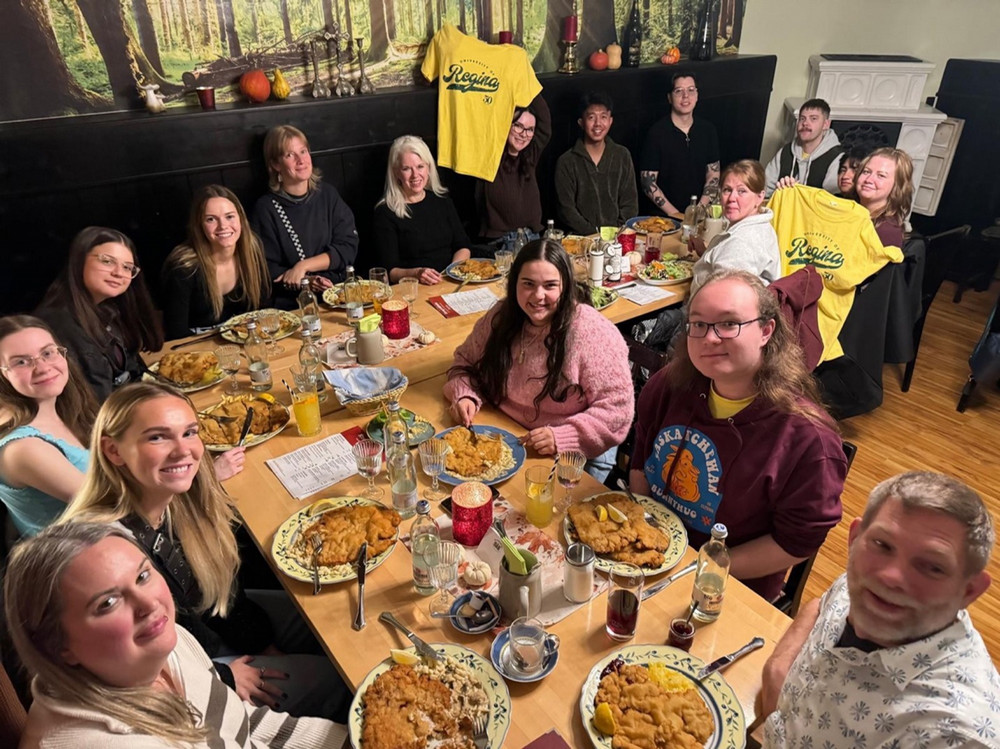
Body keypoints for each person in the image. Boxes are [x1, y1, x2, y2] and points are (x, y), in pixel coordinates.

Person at [60, 382, 349, 721]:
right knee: (335, 680)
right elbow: (136, 663)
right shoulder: (106, 548)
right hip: (179, 678)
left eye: (189, 432)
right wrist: (223, 677)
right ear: (114, 451)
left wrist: (262, 642)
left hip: (211, 631)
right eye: (157, 437)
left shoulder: (171, 500)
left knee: (332, 614)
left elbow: (216, 589)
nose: (183, 451)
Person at [6, 522, 347, 748]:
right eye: (107, 603)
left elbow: (243, 725)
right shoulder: (103, 742)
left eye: (142, 576)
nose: (148, 604)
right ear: (59, 645)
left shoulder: (166, 643)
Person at [630, 269, 846, 600]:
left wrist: (700, 567)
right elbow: (640, 462)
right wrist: (642, 535)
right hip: (646, 558)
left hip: (727, 585)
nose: (709, 338)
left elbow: (796, 542)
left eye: (729, 324)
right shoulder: (669, 384)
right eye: (698, 324)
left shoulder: (808, 440)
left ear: (765, 330)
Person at [762, 471, 999, 748]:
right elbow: (821, 605)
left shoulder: (952, 735)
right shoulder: (862, 585)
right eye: (883, 544)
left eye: (933, 567)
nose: (891, 576)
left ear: (969, 590)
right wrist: (777, 669)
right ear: (855, 540)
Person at [443, 239, 633, 481]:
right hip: (509, 435)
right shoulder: (502, 316)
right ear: (514, 285)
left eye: (550, 285)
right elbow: (463, 362)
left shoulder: (590, 331)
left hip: (574, 453)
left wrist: (562, 437)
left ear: (565, 287)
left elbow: (617, 411)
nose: (538, 296)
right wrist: (464, 393)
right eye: (528, 284)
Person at [35, 226, 163, 401]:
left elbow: (133, 370)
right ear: (79, 261)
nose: (119, 273)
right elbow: (94, 404)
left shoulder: (108, 307)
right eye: (107, 261)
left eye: (127, 267)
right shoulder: (60, 322)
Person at [0, 316, 96, 536]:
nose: (42, 367)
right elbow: (112, 503)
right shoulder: (22, 448)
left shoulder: (59, 406)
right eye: (20, 362)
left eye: (47, 353)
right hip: (78, 559)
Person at [251, 125, 359, 307]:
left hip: (338, 294)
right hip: (294, 304)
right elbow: (265, 268)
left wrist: (303, 266)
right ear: (276, 165)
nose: (301, 160)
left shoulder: (328, 195)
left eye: (303, 151)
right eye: (289, 155)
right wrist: (307, 282)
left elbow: (348, 247)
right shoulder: (266, 209)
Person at [161, 185, 271, 340]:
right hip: (197, 348)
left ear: (241, 218)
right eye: (211, 219)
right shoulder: (184, 267)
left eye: (229, 216)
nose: (223, 226)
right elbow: (176, 333)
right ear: (199, 225)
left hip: (245, 342)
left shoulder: (252, 249)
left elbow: (263, 310)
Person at [373, 135, 471, 284]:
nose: (415, 175)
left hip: (451, 281)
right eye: (406, 169)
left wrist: (451, 272)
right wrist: (418, 273)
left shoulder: (443, 201)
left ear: (428, 167)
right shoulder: (385, 212)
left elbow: (463, 246)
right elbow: (390, 271)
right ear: (396, 172)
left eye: (420, 166)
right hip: (413, 288)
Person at [688, 159, 780, 294]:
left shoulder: (742, 242)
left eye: (742, 191)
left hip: (709, 312)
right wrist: (705, 252)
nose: (732, 198)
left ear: (760, 197)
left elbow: (722, 298)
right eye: (727, 190)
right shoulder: (760, 225)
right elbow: (731, 262)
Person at [554, 91, 639, 235]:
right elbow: (566, 210)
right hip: (581, 240)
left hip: (618, 238)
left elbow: (630, 203)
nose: (598, 124)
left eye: (603, 117)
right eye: (591, 117)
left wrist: (615, 233)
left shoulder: (622, 155)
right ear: (581, 122)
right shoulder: (567, 161)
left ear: (610, 121)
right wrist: (594, 234)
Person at [640, 73, 720, 217]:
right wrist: (676, 214)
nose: (685, 96)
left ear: (697, 95)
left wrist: (698, 210)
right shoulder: (656, 133)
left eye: (690, 90)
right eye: (679, 91)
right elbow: (648, 183)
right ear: (669, 98)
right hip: (664, 216)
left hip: (700, 212)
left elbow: (713, 174)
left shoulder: (708, 130)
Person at [477, 94, 552, 242]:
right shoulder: (488, 156)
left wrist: (525, 79)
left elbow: (544, 120)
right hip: (501, 242)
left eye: (530, 129)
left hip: (532, 237)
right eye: (518, 126)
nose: (524, 134)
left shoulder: (530, 155)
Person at [763, 98, 843, 197]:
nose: (805, 123)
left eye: (813, 119)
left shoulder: (836, 158)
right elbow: (765, 188)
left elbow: (831, 200)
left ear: (826, 124)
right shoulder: (786, 151)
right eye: (802, 118)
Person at [856, 146, 914, 249]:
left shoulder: (887, 232)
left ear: (897, 185)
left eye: (881, 175)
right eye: (866, 172)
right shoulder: (848, 212)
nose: (869, 179)